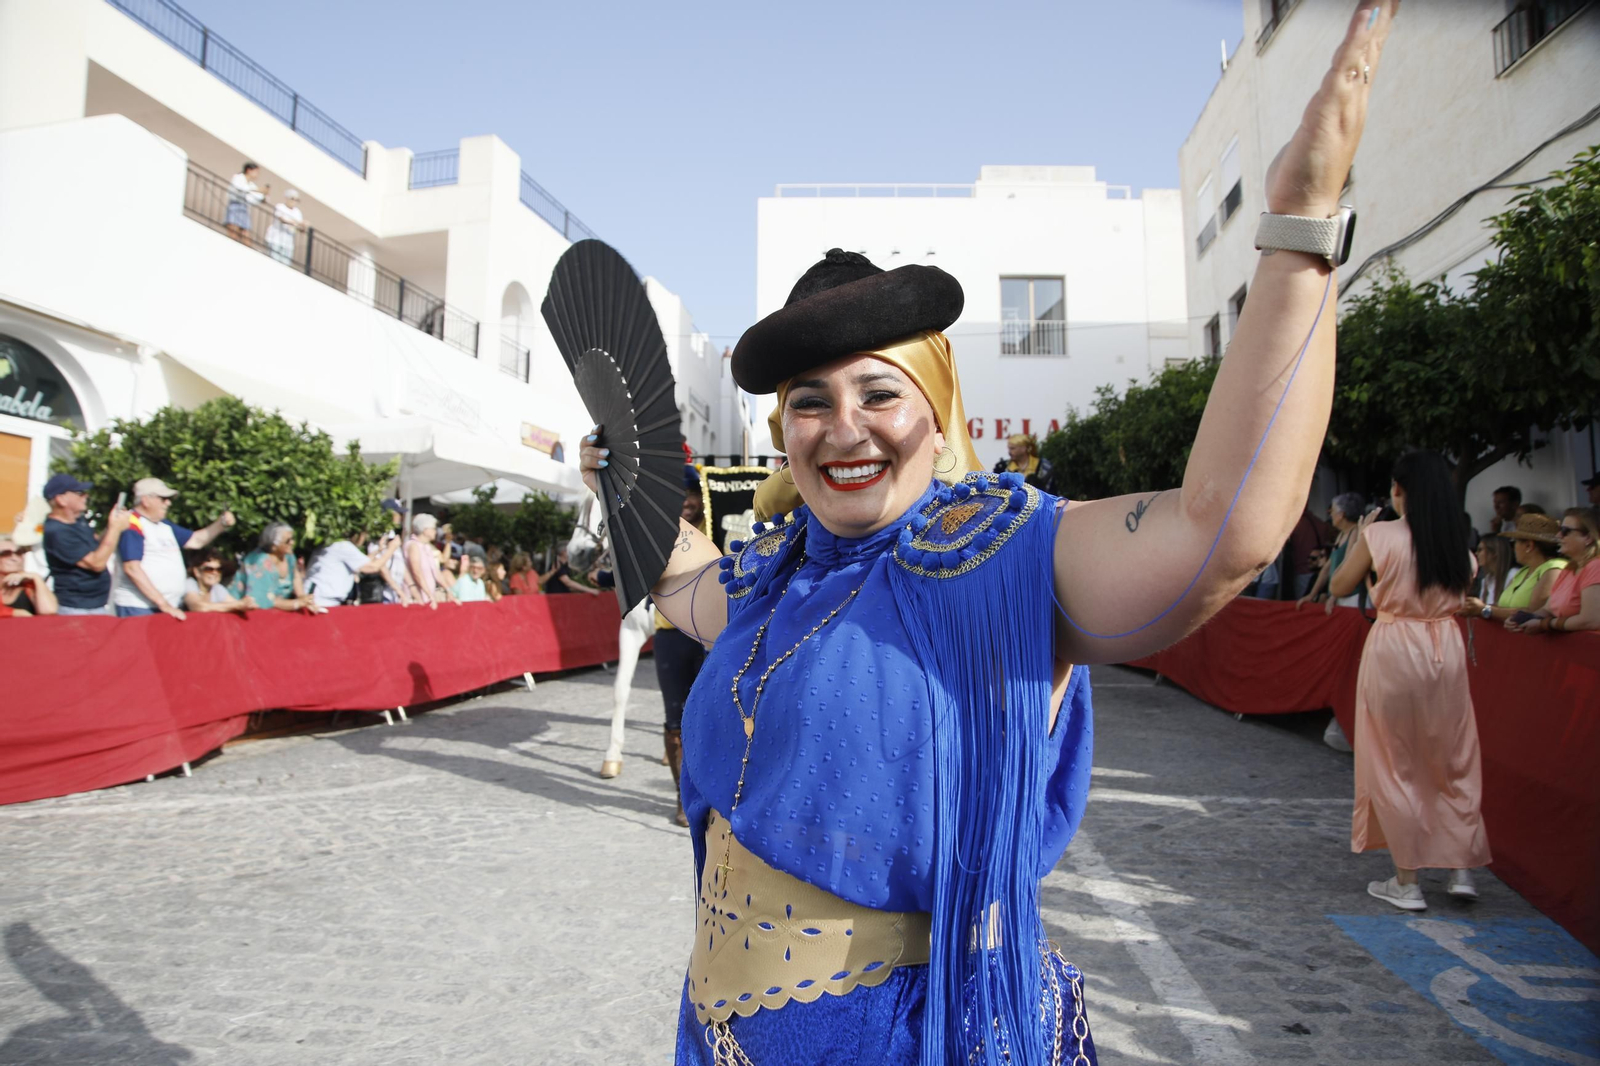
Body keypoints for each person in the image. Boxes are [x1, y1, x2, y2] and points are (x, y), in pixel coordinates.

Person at [585, 9, 1398, 1055]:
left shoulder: (1002, 558)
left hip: (913, 1037)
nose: (843, 430)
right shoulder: (771, 577)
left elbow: (1222, 527)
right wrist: (623, 473)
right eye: (808, 401)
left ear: (936, 407)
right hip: (723, 1034)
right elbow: (676, 570)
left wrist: (1297, 226)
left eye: (878, 392)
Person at [1329, 450, 1488, 911]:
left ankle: (1408, 880)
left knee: (1393, 759)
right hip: (1446, 647)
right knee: (1453, 757)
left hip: (1396, 644)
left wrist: (1361, 536)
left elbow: (1340, 586)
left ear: (1400, 489)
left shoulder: (1381, 534)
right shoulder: (1455, 540)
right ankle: (1462, 870)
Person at [653, 472, 710, 827]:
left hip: (710, 637)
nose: (685, 500)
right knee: (675, 721)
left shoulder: (723, 525)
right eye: (679, 493)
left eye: (691, 492)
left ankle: (711, 792)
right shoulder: (655, 528)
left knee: (712, 719)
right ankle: (681, 795)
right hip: (669, 635)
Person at [112, 479, 236, 619]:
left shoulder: (164, 525)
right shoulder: (131, 523)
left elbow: (195, 541)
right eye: (163, 499)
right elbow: (132, 568)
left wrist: (221, 524)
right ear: (146, 500)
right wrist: (163, 604)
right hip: (139, 607)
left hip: (165, 608)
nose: (168, 503)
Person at [41, 473, 130, 616]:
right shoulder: (57, 532)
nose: (86, 496)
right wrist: (116, 529)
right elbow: (96, 563)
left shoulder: (78, 522)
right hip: (77, 609)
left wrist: (111, 524)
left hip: (96, 604)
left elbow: (98, 546)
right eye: (79, 493)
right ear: (61, 499)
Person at [1505, 506, 1600, 635]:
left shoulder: (1596, 566)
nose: (1558, 535)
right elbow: (1548, 609)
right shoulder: (1570, 568)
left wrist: (1545, 624)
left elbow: (1591, 620)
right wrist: (1520, 619)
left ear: (1588, 538)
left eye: (1565, 531)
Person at [1296, 492, 1366, 613]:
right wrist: (1311, 595)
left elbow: (1347, 567)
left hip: (1351, 597)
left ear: (1341, 514)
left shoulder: (1354, 533)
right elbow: (1326, 569)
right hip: (1340, 595)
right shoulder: (1342, 535)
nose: (1330, 514)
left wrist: (1334, 596)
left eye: (1332, 510)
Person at [231, 522, 318, 612]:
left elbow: (295, 576)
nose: (292, 542)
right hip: (244, 611)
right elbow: (267, 600)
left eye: (292, 538)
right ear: (274, 546)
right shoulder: (260, 563)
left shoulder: (288, 555)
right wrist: (297, 603)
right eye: (288, 541)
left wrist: (302, 597)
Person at [306, 530, 401, 609]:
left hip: (322, 600)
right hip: (323, 601)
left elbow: (361, 562)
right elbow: (372, 567)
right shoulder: (343, 546)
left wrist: (379, 550)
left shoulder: (335, 545)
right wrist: (392, 549)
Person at [181, 549, 256, 614]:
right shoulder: (189, 584)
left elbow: (235, 603)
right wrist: (237, 605)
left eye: (219, 569)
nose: (215, 572)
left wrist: (248, 604)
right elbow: (198, 607)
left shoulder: (217, 589)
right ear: (197, 572)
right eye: (209, 569)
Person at [1286, 499, 1333, 599]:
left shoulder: (1295, 525)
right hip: (1320, 570)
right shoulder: (1319, 522)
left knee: (1303, 602)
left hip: (1303, 570)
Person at [404, 513, 454, 607]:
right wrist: (429, 594)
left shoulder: (427, 547)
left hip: (428, 598)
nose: (436, 531)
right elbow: (417, 572)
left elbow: (436, 571)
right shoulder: (413, 546)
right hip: (416, 599)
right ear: (425, 530)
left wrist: (448, 590)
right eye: (433, 528)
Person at [0, 536, 57, 616]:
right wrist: (14, 613)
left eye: (19, 553)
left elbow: (49, 611)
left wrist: (36, 578)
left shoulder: (29, 585)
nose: (15, 558)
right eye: (6, 553)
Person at [991, 433, 1055, 493]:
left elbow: (1051, 491)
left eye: (1012, 448)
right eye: (1009, 449)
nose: (1009, 452)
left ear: (1024, 448)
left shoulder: (1043, 465)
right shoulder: (1002, 467)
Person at [1468, 533, 1517, 608]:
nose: (1476, 553)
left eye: (1480, 550)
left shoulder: (1513, 575)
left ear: (1494, 552)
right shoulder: (1486, 580)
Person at [226, 162, 268, 245]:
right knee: (233, 233)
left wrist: (264, 196)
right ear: (249, 170)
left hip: (244, 209)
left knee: (246, 237)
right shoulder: (238, 177)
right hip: (235, 206)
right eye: (256, 172)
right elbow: (240, 188)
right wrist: (259, 190)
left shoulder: (252, 185)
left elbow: (255, 198)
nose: (257, 174)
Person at [266, 188, 303, 264]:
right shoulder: (280, 206)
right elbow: (282, 219)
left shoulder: (297, 212)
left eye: (296, 200)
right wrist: (296, 223)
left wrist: (304, 226)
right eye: (292, 199)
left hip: (288, 244)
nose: (294, 201)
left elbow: (300, 228)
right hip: (275, 240)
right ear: (287, 198)